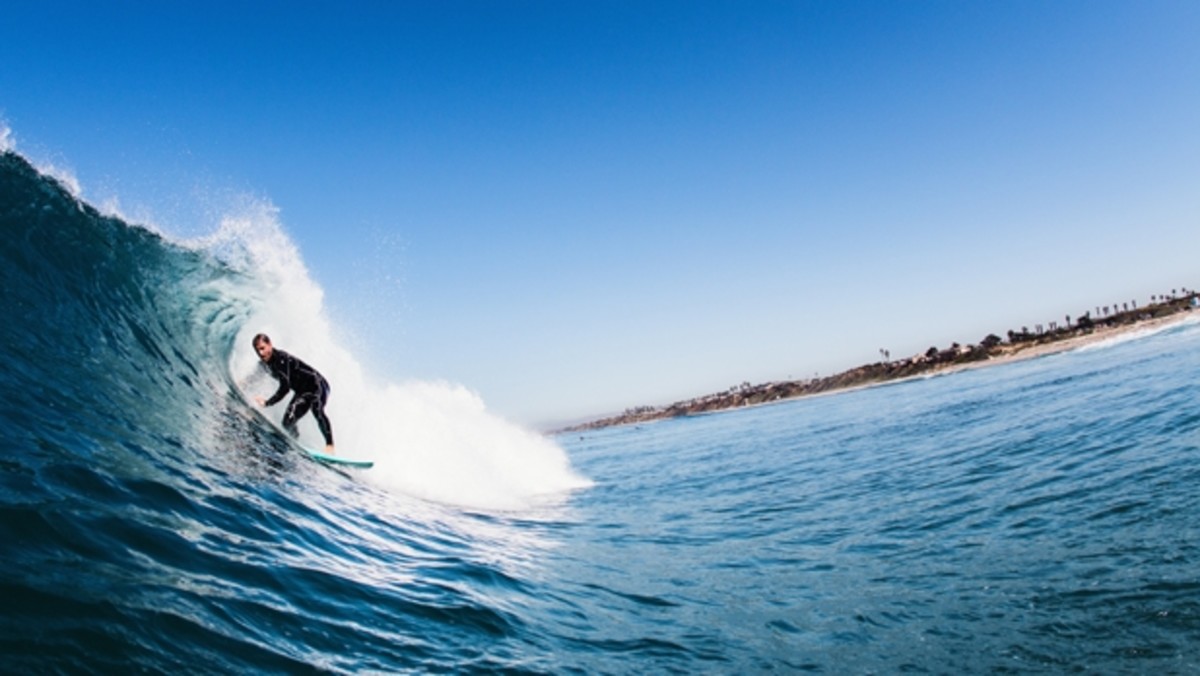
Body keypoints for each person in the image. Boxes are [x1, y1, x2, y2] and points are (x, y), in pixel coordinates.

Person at [251, 333, 335, 454]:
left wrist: (267, 403)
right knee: (287, 422)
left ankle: (330, 445)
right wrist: (242, 383)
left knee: (316, 409)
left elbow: (285, 388)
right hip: (302, 391)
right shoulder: (264, 364)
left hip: (317, 385)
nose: (260, 353)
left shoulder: (281, 360)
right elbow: (254, 376)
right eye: (257, 350)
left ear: (270, 345)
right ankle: (296, 442)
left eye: (262, 348)